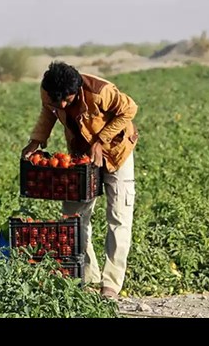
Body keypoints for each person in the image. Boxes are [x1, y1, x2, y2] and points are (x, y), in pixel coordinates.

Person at [21, 61, 139, 299]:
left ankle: (111, 285)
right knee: (75, 216)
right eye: (58, 101)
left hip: (117, 153)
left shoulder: (100, 91)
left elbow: (129, 110)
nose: (62, 105)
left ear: (76, 92)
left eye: (67, 100)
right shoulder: (49, 91)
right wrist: (37, 140)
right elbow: (49, 112)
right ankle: (87, 276)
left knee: (118, 216)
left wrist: (100, 141)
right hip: (80, 154)